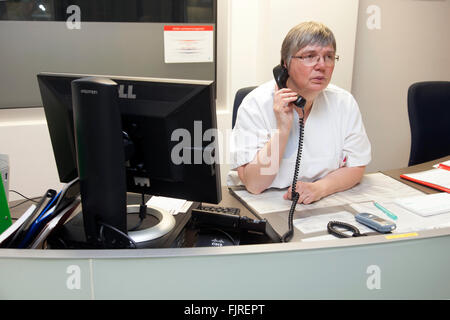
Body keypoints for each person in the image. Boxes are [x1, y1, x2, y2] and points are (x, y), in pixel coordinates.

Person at [229, 21, 371, 204]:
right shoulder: (255, 104)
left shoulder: (344, 103)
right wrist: (282, 130)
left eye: (329, 56)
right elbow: (255, 185)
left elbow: (356, 166)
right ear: (285, 64)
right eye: (310, 56)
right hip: (263, 202)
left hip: (320, 201)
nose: (322, 66)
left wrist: (320, 188)